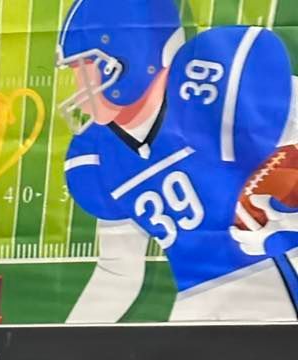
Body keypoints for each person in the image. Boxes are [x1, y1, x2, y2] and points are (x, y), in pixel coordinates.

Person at [56, 0, 298, 322]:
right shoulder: (98, 153)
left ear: (132, 55)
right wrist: (73, 347)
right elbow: (118, 271)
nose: (79, 87)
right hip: (195, 300)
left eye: (85, 67)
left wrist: (285, 198)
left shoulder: (217, 84)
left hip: (272, 277)